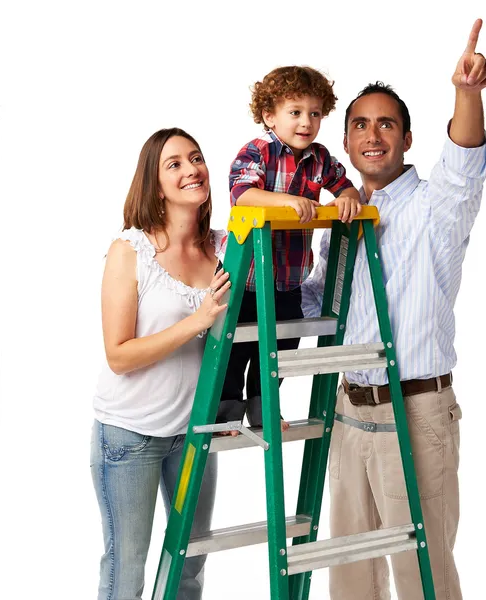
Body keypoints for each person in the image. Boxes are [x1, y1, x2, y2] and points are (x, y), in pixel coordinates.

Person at [301, 19, 486, 600]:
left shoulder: (436, 208)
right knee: (351, 574)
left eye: (386, 123)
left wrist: (467, 94)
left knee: (421, 574)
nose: (373, 134)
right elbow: (317, 298)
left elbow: (464, 164)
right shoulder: (341, 221)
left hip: (415, 412)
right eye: (360, 124)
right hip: (348, 411)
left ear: (407, 138)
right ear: (346, 143)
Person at [90, 127, 231, 600]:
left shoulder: (227, 248)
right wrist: (198, 320)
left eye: (196, 158)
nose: (192, 169)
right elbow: (118, 355)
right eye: (174, 164)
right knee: (126, 570)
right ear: (154, 184)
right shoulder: (130, 252)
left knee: (190, 565)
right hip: (130, 437)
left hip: (193, 437)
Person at [217, 65, 362, 432]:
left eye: (315, 113)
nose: (306, 122)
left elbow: (344, 185)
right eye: (295, 112)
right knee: (235, 351)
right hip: (246, 280)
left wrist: (346, 198)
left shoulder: (320, 158)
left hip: (289, 281)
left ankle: (264, 407)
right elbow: (242, 194)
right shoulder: (258, 151)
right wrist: (286, 201)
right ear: (270, 116)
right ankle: (226, 414)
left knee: (281, 350)